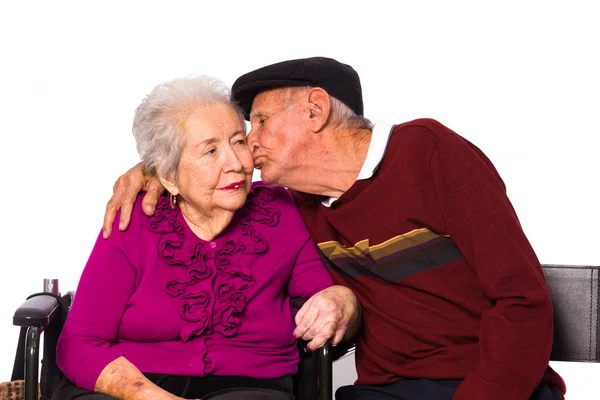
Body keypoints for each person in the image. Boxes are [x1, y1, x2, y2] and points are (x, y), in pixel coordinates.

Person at [103, 57, 566, 400]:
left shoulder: (430, 154)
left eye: (260, 121)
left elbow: (522, 300)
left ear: (315, 109)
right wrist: (151, 169)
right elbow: (203, 176)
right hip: (384, 391)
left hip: (491, 384)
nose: (250, 144)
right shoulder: (294, 204)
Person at [55, 74, 359, 400]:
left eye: (238, 141)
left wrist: (344, 301)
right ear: (169, 177)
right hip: (136, 383)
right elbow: (79, 343)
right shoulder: (135, 220)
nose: (236, 163)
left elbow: (329, 304)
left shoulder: (279, 211)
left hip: (251, 387)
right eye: (211, 151)